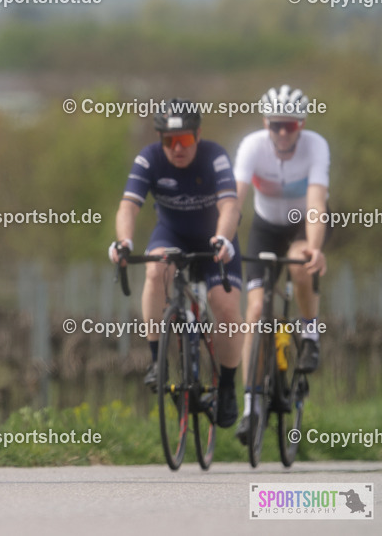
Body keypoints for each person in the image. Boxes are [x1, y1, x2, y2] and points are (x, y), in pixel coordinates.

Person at [109, 100, 243, 427]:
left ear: (198, 135)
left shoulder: (215, 156)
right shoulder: (149, 158)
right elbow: (128, 206)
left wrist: (224, 238)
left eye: (184, 140)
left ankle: (226, 386)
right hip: (171, 233)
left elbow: (229, 205)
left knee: (224, 305)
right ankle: (157, 361)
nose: (177, 148)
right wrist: (124, 241)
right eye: (169, 141)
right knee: (155, 271)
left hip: (215, 237)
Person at [232, 85, 329, 445]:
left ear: (301, 124)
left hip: (304, 224)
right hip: (265, 228)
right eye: (276, 125)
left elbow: (317, 202)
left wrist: (315, 248)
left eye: (290, 125)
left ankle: (309, 330)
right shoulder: (252, 146)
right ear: (265, 124)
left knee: (302, 264)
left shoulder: (316, 146)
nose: (283, 133)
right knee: (255, 311)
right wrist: (220, 239)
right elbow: (235, 199)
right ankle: (251, 405)